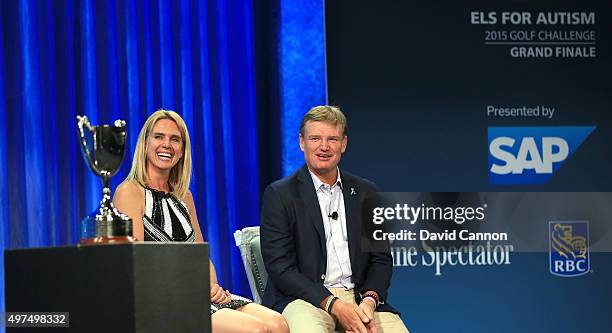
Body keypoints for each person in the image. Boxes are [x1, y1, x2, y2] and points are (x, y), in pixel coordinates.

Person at [114, 109, 288, 333]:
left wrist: (213, 288)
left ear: (182, 151)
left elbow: (201, 255)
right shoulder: (130, 191)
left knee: (279, 324)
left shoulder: (184, 197)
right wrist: (192, 291)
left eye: (175, 139)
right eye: (159, 137)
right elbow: (138, 265)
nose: (167, 144)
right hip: (163, 302)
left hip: (199, 294)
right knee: (257, 330)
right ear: (145, 144)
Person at [260, 106, 409, 333]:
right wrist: (335, 305)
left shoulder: (367, 191)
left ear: (344, 144)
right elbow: (281, 268)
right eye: (315, 138)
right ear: (302, 142)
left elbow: (381, 260)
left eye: (332, 139)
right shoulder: (280, 195)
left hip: (360, 298)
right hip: (305, 299)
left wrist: (369, 301)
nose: (324, 147)